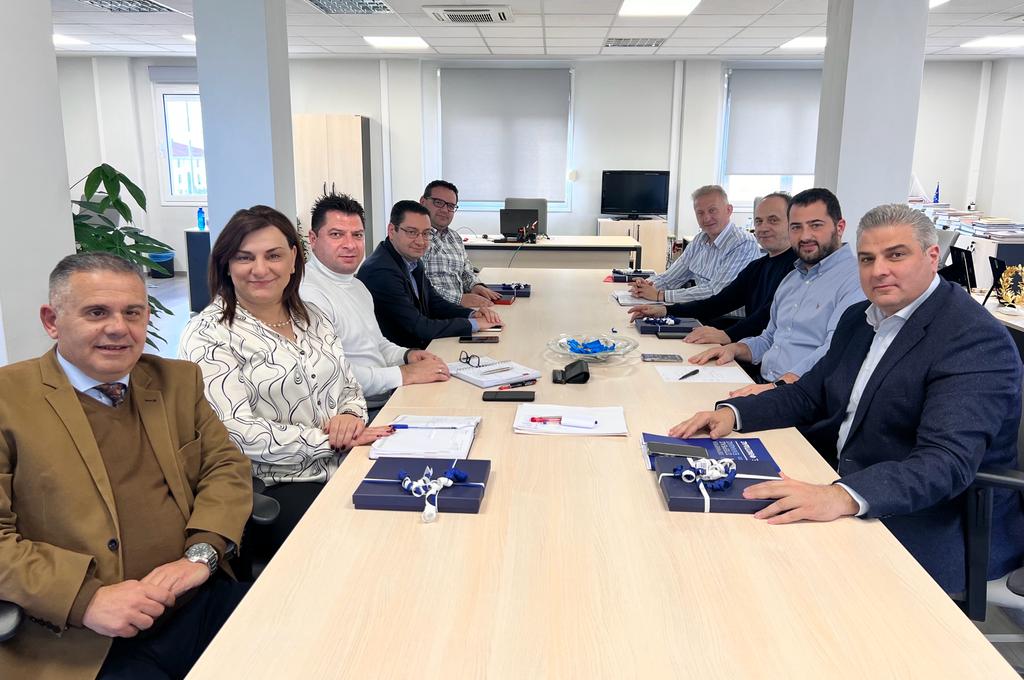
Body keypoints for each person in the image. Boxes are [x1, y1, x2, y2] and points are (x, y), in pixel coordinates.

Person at [669, 203, 1024, 594]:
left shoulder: (973, 339)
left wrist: (840, 496)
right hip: (842, 476)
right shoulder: (861, 318)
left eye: (896, 255)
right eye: (867, 258)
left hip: (932, 518)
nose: (878, 270)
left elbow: (944, 464)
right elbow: (809, 394)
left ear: (932, 256)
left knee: (777, 578)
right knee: (716, 536)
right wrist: (733, 414)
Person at [0, 252, 253, 679]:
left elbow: (226, 467)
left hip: (196, 602)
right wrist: (85, 599)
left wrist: (201, 553)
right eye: (96, 312)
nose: (119, 328)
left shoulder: (177, 381)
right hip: (83, 640)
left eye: (132, 312)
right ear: (51, 321)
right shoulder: (8, 401)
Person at [179, 205, 391, 559]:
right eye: (245, 257)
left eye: (273, 255)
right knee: (366, 548)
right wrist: (327, 440)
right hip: (275, 486)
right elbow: (235, 432)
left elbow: (349, 385)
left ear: (294, 258)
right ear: (226, 264)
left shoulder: (312, 318)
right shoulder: (208, 334)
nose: (260, 269)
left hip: (347, 462)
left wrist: (351, 417)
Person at [688, 187, 865, 395]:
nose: (805, 236)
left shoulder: (856, 280)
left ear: (839, 227)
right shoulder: (792, 279)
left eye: (815, 225)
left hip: (799, 394)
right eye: (796, 227)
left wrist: (775, 389)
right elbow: (769, 339)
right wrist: (734, 348)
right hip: (764, 383)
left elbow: (833, 351)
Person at [300, 191, 451, 419]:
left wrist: (408, 355)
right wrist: (404, 374)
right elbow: (331, 375)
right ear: (313, 239)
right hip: (352, 414)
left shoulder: (357, 286)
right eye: (336, 234)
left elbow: (377, 344)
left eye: (357, 235)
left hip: (385, 397)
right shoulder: (308, 294)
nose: (350, 245)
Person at [628, 192, 795, 345]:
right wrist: (665, 310)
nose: (763, 228)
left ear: (793, 223)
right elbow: (720, 301)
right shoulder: (759, 266)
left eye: (773, 220)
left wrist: (727, 335)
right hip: (747, 339)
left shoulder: (797, 269)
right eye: (759, 221)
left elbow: (767, 317)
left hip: (762, 346)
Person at [356, 200, 503, 350]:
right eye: (412, 232)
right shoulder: (381, 271)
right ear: (392, 230)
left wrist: (471, 315)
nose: (421, 241)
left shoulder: (411, 260)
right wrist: (473, 324)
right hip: (399, 355)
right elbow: (419, 327)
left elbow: (434, 303)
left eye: (426, 233)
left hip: (418, 347)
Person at [629, 185, 760, 303]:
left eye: (712, 210)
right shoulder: (700, 240)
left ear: (729, 210)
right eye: (700, 213)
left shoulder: (743, 243)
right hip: (700, 311)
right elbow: (671, 277)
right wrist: (645, 285)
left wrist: (660, 295)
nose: (706, 218)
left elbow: (716, 292)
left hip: (726, 318)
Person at [419, 179, 502, 307]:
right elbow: (419, 286)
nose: (445, 210)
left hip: (462, 308)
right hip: (434, 311)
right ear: (423, 202)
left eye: (451, 206)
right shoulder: (416, 238)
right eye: (438, 202)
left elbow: (465, 270)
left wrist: (475, 285)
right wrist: (460, 299)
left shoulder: (455, 237)